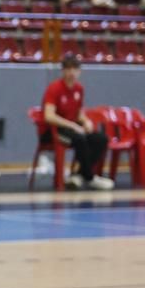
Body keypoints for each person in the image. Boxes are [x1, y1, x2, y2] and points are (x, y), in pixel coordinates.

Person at [40, 54, 113, 190]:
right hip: (54, 130)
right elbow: (49, 116)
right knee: (80, 139)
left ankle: (77, 176)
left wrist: (86, 121)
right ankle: (90, 177)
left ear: (79, 72)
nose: (71, 73)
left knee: (100, 139)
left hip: (72, 129)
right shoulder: (54, 88)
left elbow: (78, 113)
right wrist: (73, 125)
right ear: (63, 71)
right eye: (68, 69)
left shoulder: (79, 89)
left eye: (75, 69)